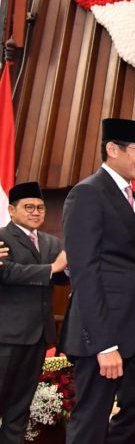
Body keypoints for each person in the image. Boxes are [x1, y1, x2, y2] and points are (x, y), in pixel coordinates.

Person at [60, 118, 135, 444]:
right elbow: (85, 273)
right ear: (113, 149)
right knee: (91, 419)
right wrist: (104, 344)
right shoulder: (88, 193)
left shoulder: (134, 199)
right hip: (103, 331)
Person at [0, 182, 68, 444]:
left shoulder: (51, 242)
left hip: (38, 335)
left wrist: (69, 268)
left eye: (40, 207)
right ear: (11, 210)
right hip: (7, 335)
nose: (36, 212)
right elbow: (7, 273)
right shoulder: (3, 237)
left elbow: (60, 277)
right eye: (28, 207)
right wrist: (53, 268)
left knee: (20, 405)